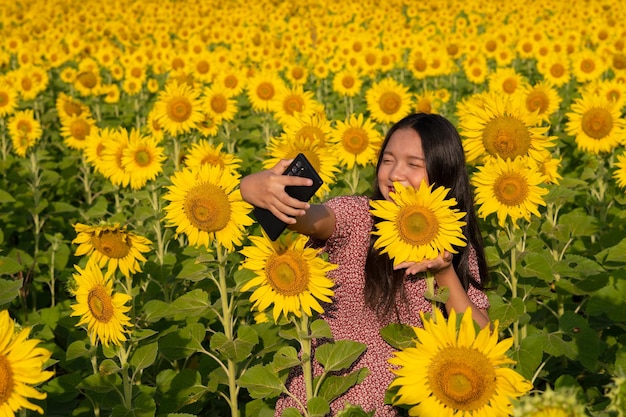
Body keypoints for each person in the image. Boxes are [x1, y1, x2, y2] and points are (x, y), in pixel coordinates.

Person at [240, 113, 491, 416]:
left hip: (401, 406)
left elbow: (480, 341)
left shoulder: (455, 244)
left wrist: (443, 272)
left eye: (413, 164)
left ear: (443, 171)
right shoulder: (360, 218)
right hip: (327, 401)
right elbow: (308, 219)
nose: (396, 173)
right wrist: (252, 187)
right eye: (388, 160)